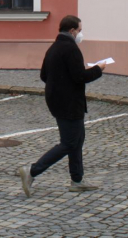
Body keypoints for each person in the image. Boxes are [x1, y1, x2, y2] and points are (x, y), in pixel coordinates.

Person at [18, 14, 105, 197]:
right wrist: (98, 68)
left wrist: (58, 82)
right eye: (79, 31)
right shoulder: (70, 49)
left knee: (77, 139)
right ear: (72, 30)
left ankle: (77, 180)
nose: (80, 34)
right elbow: (80, 76)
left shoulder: (53, 48)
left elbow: (44, 75)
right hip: (69, 103)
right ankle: (32, 171)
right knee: (68, 143)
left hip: (58, 101)